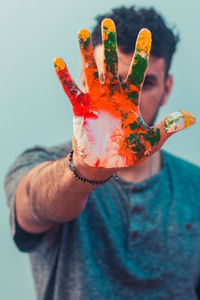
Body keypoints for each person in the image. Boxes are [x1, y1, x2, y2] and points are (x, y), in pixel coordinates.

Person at [4, 6, 200, 300]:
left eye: (145, 83)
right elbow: (32, 204)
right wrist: (83, 170)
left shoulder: (195, 186)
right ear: (87, 81)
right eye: (115, 82)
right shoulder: (41, 163)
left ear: (167, 88)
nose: (127, 103)